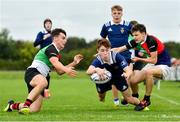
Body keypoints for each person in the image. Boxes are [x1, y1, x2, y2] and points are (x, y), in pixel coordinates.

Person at [4, 28, 83, 114]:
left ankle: (11, 106)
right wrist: (67, 69)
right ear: (55, 38)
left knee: (34, 109)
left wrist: (74, 63)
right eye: (63, 38)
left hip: (39, 78)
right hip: (33, 72)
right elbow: (56, 63)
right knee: (43, 82)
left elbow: (59, 71)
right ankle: (26, 106)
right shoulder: (51, 48)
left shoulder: (56, 53)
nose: (66, 40)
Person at [112, 24, 171, 111]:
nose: (134, 37)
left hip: (163, 65)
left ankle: (146, 100)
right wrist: (105, 52)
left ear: (143, 34)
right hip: (152, 65)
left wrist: (138, 59)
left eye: (136, 35)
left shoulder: (151, 40)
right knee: (132, 80)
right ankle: (135, 96)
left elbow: (154, 60)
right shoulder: (136, 41)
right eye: (133, 35)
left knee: (148, 73)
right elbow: (119, 49)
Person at [86, 38, 140, 110]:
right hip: (104, 79)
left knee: (129, 99)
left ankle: (142, 105)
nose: (105, 53)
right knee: (101, 98)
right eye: (102, 50)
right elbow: (88, 71)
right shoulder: (98, 60)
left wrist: (127, 74)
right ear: (98, 51)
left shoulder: (116, 56)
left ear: (110, 49)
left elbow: (128, 70)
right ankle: (102, 96)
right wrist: (97, 69)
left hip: (118, 78)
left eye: (107, 50)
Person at [100, 5, 132, 107]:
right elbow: (102, 40)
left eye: (119, 13)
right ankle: (116, 100)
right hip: (112, 56)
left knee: (126, 77)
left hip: (126, 55)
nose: (117, 15)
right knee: (114, 78)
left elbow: (135, 38)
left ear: (122, 13)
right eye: (114, 13)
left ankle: (126, 98)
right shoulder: (106, 26)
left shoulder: (128, 25)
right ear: (111, 14)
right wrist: (102, 51)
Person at [34, 18, 53, 98]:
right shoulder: (41, 33)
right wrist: (44, 38)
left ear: (51, 25)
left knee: (47, 74)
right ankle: (42, 91)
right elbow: (35, 44)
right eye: (46, 23)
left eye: (49, 23)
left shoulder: (53, 33)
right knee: (43, 73)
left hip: (51, 56)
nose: (48, 25)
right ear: (44, 25)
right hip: (43, 56)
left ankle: (44, 91)